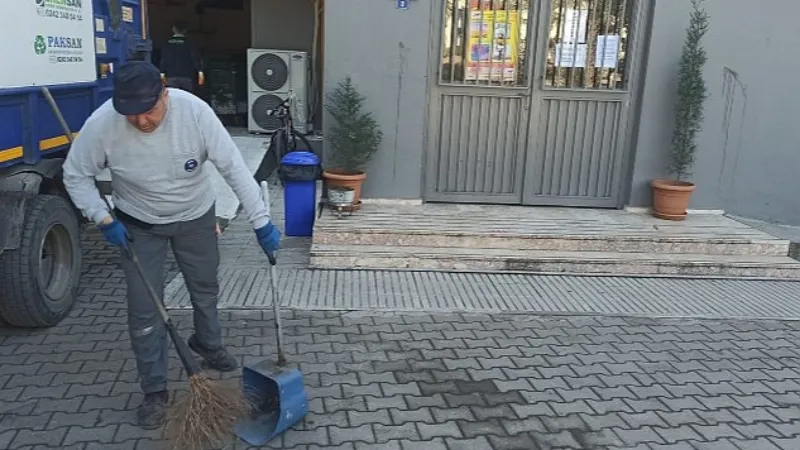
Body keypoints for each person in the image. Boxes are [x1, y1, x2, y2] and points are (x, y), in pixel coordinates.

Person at [61, 61, 281, 429]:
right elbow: (75, 175)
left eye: (149, 111)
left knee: (205, 286)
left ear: (164, 94)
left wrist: (260, 220)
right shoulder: (103, 124)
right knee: (145, 310)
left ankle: (208, 344)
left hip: (195, 217)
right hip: (137, 225)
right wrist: (102, 217)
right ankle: (155, 390)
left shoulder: (194, 113)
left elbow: (233, 168)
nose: (141, 122)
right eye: (131, 114)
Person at [159, 20, 204, 92]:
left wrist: (162, 74)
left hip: (171, 77)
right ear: (185, 30)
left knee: (173, 99)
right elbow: (195, 59)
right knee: (186, 99)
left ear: (173, 29)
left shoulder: (166, 44)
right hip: (186, 77)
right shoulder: (190, 44)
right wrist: (200, 71)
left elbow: (163, 60)